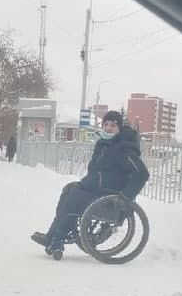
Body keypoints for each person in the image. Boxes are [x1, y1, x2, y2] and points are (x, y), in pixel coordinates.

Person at [31, 110, 149, 257]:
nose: (108, 128)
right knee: (68, 190)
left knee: (74, 198)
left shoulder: (124, 148)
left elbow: (142, 174)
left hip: (110, 193)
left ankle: (57, 239)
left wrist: (126, 195)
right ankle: (53, 235)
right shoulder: (104, 144)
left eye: (113, 125)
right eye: (106, 124)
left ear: (119, 128)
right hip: (97, 188)